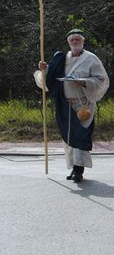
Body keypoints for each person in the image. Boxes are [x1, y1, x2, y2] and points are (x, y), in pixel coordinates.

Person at [37, 29, 109, 182]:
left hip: (83, 104)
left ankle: (79, 170)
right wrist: (45, 69)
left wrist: (83, 82)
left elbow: (101, 79)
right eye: (72, 40)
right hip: (64, 103)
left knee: (80, 135)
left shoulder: (91, 59)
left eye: (77, 39)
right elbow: (52, 76)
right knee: (67, 138)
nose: (75, 42)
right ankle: (72, 167)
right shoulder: (63, 58)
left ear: (83, 41)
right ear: (68, 42)